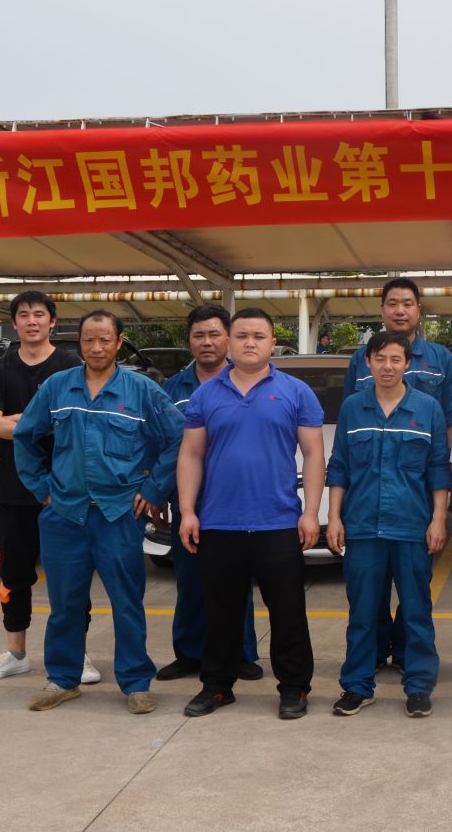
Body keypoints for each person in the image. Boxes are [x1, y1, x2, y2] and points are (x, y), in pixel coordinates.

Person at [13, 310, 183, 714]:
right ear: (79, 342)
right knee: (65, 604)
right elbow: (24, 435)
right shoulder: (58, 387)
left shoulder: (141, 390)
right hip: (64, 514)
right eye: (89, 340)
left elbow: (179, 438)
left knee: (127, 603)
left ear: (119, 342)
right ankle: (63, 679)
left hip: (118, 514)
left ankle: (136, 683)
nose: (96, 347)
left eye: (105, 340)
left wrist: (153, 489)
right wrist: (41, 489)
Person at [177, 308, 326, 720]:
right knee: (220, 611)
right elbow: (191, 455)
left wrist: (311, 512)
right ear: (229, 341)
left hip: (278, 521)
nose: (250, 342)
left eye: (259, 336)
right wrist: (188, 511)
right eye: (241, 335)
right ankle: (217, 686)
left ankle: (294, 687)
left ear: (272, 343)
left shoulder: (296, 391)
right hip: (219, 522)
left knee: (288, 611)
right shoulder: (206, 395)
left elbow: (314, 454)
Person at [0, 290, 96, 686]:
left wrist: (19, 422)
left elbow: (76, 420)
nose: (32, 321)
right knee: (14, 573)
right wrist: (43, 420)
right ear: (14, 323)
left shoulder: (71, 365)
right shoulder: (0, 369)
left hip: (65, 487)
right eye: (23, 315)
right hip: (13, 489)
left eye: (39, 314)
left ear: (52, 322)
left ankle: (77, 655)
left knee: (70, 574)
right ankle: (16, 654)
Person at [327, 331, 451, 718]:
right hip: (363, 525)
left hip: (412, 527)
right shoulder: (353, 408)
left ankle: (419, 686)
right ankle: (357, 686)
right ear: (368, 362)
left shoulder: (427, 408)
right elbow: (339, 466)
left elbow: (438, 469)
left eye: (396, 359)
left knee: (416, 612)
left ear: (408, 364)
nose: (387, 366)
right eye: (380, 359)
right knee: (362, 614)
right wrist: (333, 517)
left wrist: (439, 519)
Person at [343, 277, 452, 670]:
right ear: (382, 310)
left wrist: (446, 495)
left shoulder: (440, 358)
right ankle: (374, 655)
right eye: (392, 303)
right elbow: (354, 421)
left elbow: (450, 423)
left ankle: (410, 659)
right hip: (368, 496)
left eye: (407, 303)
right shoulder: (360, 359)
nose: (399, 310)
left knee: (414, 591)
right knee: (368, 594)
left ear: (418, 310)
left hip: (416, 495)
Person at [157, 304, 262, 684]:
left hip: (236, 499)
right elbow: (163, 444)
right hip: (188, 499)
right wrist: (158, 492)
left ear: (228, 339)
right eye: (199, 335)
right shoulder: (172, 389)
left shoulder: (247, 383)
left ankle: (242, 653)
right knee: (189, 579)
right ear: (189, 340)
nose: (207, 342)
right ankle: (189, 653)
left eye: (215, 334)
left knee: (237, 580)